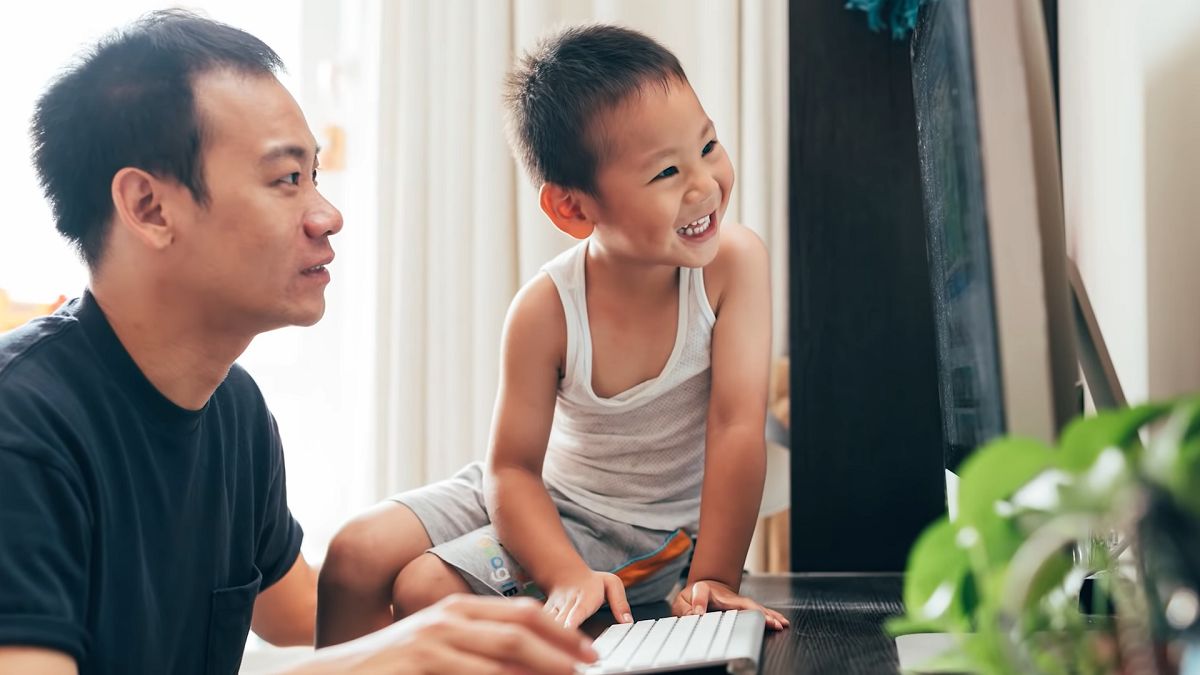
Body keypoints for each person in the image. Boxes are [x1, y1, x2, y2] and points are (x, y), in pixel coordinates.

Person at [0, 10, 595, 674]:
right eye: (287, 179)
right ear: (148, 207)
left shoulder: (233, 408)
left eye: (316, 175)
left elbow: (298, 612)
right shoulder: (20, 430)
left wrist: (515, 603)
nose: (327, 215)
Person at [316, 24, 791, 647]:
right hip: (537, 495)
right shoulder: (545, 310)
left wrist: (713, 580)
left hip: (640, 532)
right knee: (354, 553)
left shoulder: (735, 265)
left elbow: (736, 428)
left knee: (424, 588)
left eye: (708, 146)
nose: (704, 184)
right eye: (668, 171)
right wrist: (566, 576)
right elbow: (510, 469)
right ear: (573, 209)